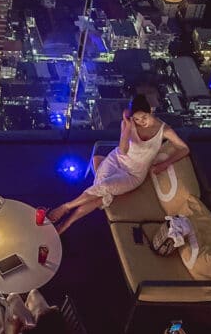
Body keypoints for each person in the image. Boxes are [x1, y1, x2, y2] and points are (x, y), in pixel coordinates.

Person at [49, 94, 189, 234]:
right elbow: (122, 150)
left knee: (102, 187)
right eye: (137, 118)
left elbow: (184, 148)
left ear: (150, 111)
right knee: (100, 194)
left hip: (133, 174)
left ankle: (66, 207)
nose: (141, 121)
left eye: (144, 117)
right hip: (116, 160)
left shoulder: (164, 130)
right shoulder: (129, 123)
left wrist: (165, 164)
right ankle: (64, 226)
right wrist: (127, 127)